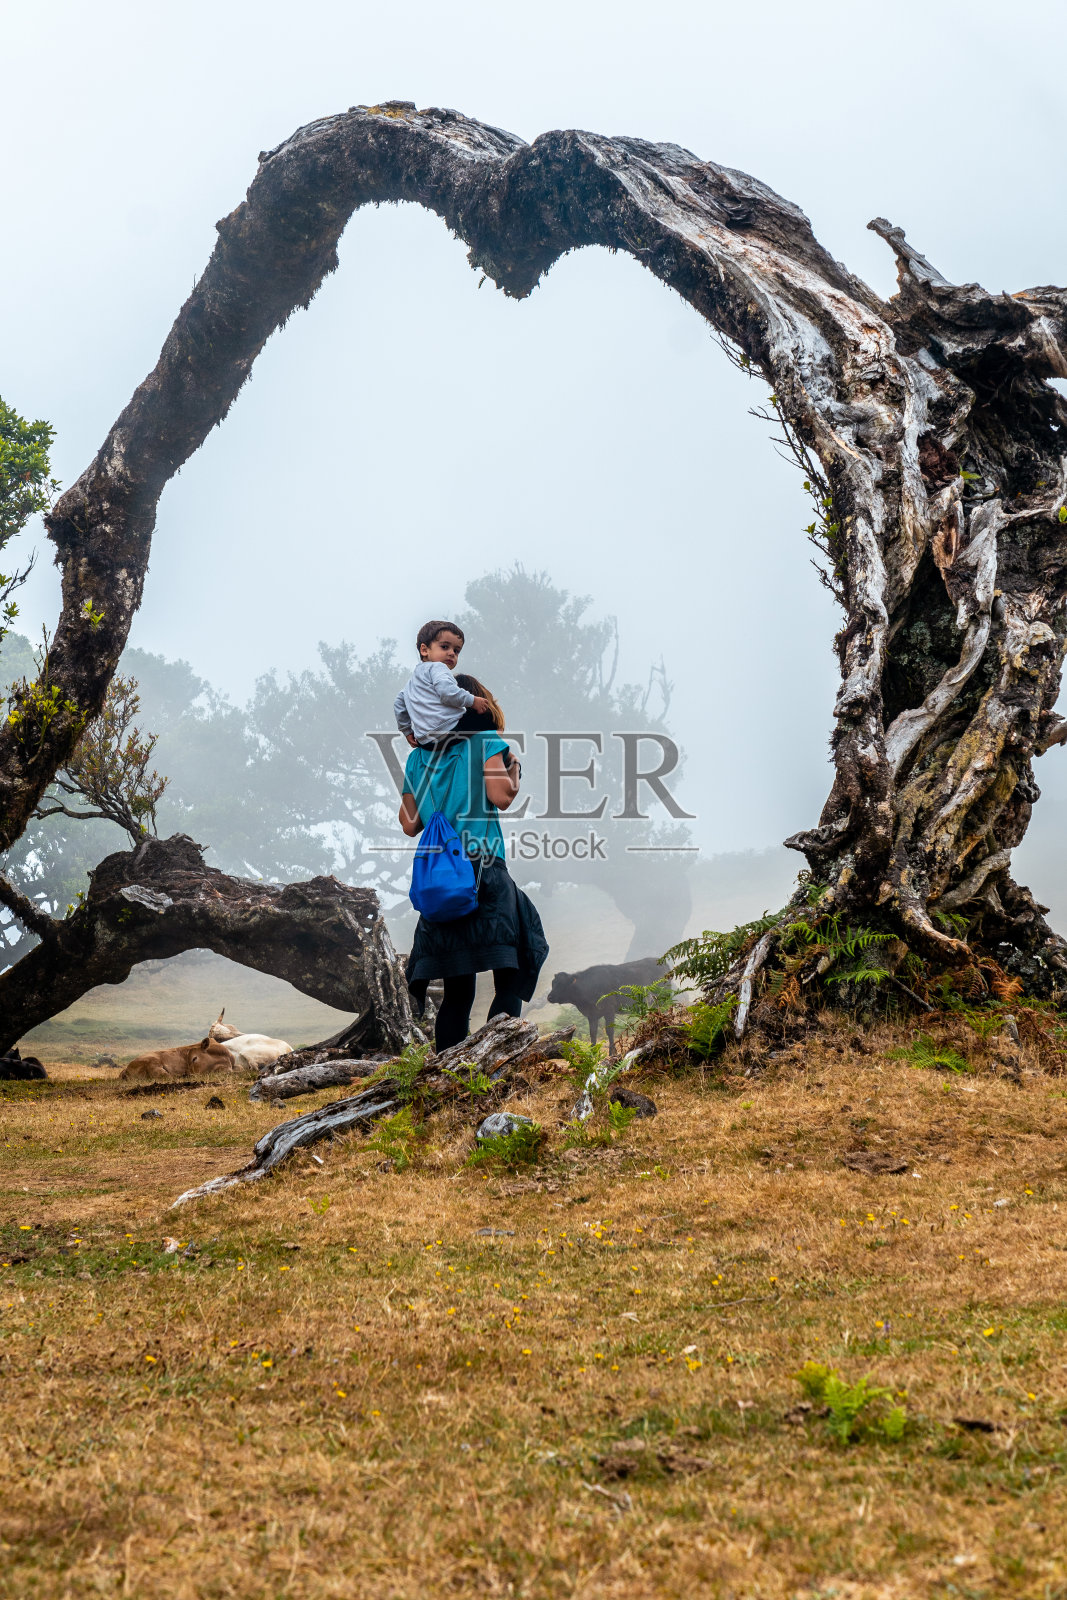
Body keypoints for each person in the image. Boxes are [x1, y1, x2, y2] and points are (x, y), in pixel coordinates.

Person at [399, 674, 548, 1050]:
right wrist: (514, 770)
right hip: (482, 870)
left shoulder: (417, 758)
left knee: (457, 993)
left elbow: (408, 824)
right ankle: (497, 1063)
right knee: (509, 974)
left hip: (441, 880)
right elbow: (501, 797)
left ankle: (448, 1078)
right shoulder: (486, 741)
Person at [394, 619, 490, 748]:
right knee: (487, 720)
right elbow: (448, 693)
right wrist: (473, 701)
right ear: (424, 650)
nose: (451, 653)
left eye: (456, 651)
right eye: (444, 647)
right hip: (449, 730)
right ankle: (501, 758)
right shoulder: (438, 667)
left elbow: (399, 704)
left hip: (425, 741)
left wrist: (407, 731)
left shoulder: (411, 683)